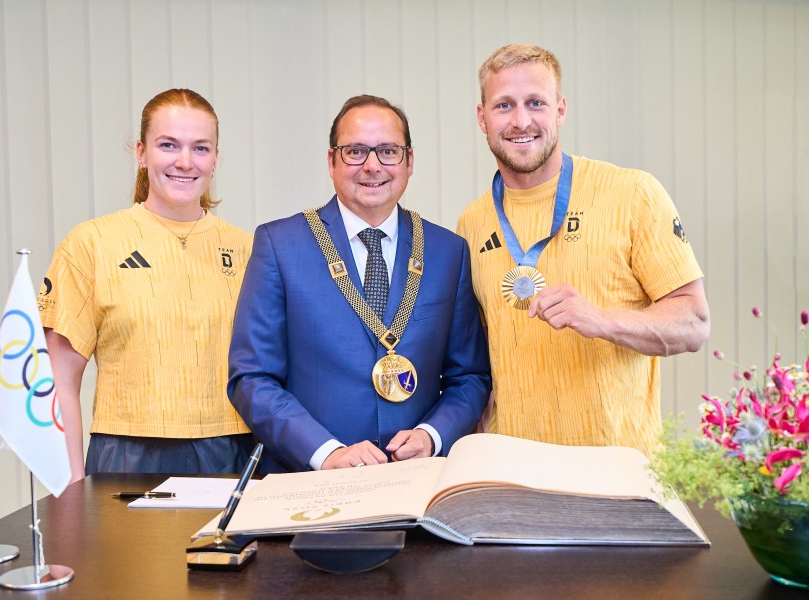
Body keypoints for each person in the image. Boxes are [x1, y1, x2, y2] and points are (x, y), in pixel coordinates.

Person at [456, 45, 710, 456]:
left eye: (535, 102)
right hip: (513, 474)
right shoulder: (471, 222)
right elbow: (476, 357)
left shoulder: (632, 194)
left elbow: (694, 322)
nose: (521, 120)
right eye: (504, 105)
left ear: (560, 110)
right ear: (482, 118)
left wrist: (603, 320)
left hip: (617, 475)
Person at [228, 95, 491, 473]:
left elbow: (470, 377)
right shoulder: (279, 245)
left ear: (409, 161)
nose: (372, 166)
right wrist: (325, 452)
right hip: (308, 482)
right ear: (331, 161)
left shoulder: (448, 252)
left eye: (388, 151)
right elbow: (252, 377)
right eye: (355, 151)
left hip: (415, 479)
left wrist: (431, 436)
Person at [39, 88, 254, 482]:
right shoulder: (91, 243)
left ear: (216, 158)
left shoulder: (249, 250)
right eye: (168, 145)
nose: (184, 162)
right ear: (141, 152)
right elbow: (58, 380)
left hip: (232, 453)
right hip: (126, 455)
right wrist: (70, 484)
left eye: (200, 148)